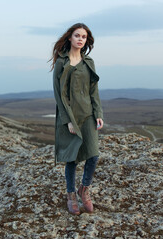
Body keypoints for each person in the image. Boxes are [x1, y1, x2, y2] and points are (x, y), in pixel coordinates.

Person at [50, 23, 104, 215]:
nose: (80, 39)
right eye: (77, 35)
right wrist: (68, 121)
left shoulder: (88, 62)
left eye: (84, 37)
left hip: (87, 114)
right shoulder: (61, 63)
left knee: (93, 155)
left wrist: (98, 113)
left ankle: (84, 189)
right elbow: (59, 95)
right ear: (70, 38)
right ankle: (71, 195)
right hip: (69, 116)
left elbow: (93, 91)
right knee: (71, 158)